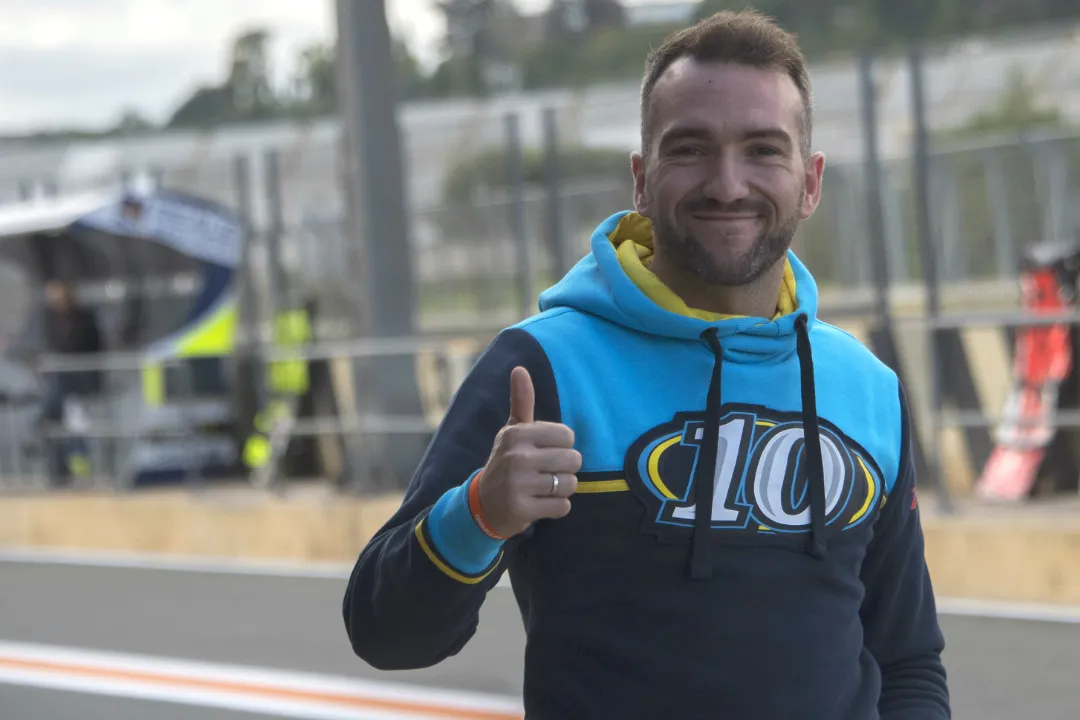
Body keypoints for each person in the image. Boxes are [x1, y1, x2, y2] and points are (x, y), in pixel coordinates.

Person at [343, 10, 950, 719]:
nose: (727, 184)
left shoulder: (866, 389)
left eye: (763, 150)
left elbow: (907, 659)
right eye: (690, 149)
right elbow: (385, 634)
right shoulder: (544, 367)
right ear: (640, 177)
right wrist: (480, 513)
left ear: (810, 182)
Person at [42, 280, 102, 481]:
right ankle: (59, 469)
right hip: (62, 378)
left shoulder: (82, 318)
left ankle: (79, 469)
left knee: (76, 424)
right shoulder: (51, 319)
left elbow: (76, 344)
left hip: (79, 378)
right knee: (51, 420)